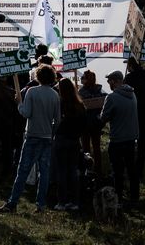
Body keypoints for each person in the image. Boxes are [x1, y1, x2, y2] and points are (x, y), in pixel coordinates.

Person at [0, 64, 61, 214]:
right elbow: (57, 120)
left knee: (23, 171)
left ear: (38, 76)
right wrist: (52, 133)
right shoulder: (55, 95)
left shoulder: (32, 91)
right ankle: (41, 205)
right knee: (44, 173)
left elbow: (26, 113)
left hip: (32, 136)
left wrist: (19, 103)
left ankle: (12, 203)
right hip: (46, 138)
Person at [100, 70, 139, 204]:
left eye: (109, 80)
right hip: (131, 137)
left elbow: (104, 118)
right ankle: (135, 195)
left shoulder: (112, 97)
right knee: (132, 169)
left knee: (117, 171)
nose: (108, 83)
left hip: (117, 139)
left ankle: (118, 198)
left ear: (115, 81)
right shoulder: (132, 94)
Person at [53, 78, 86, 211]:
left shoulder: (60, 104)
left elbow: (55, 121)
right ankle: (74, 201)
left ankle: (62, 201)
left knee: (61, 171)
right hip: (74, 141)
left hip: (61, 139)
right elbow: (84, 124)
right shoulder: (80, 105)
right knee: (73, 171)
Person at [125, 56, 145, 177]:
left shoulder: (129, 79)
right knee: (142, 141)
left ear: (130, 66)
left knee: (130, 141)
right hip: (144, 114)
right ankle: (140, 168)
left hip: (132, 114)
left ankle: (130, 167)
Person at [78, 69, 106, 177]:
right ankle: (97, 170)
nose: (81, 79)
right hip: (96, 123)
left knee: (86, 149)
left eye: (83, 78)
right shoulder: (100, 90)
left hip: (87, 124)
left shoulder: (82, 92)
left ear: (87, 80)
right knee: (96, 147)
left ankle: (87, 171)